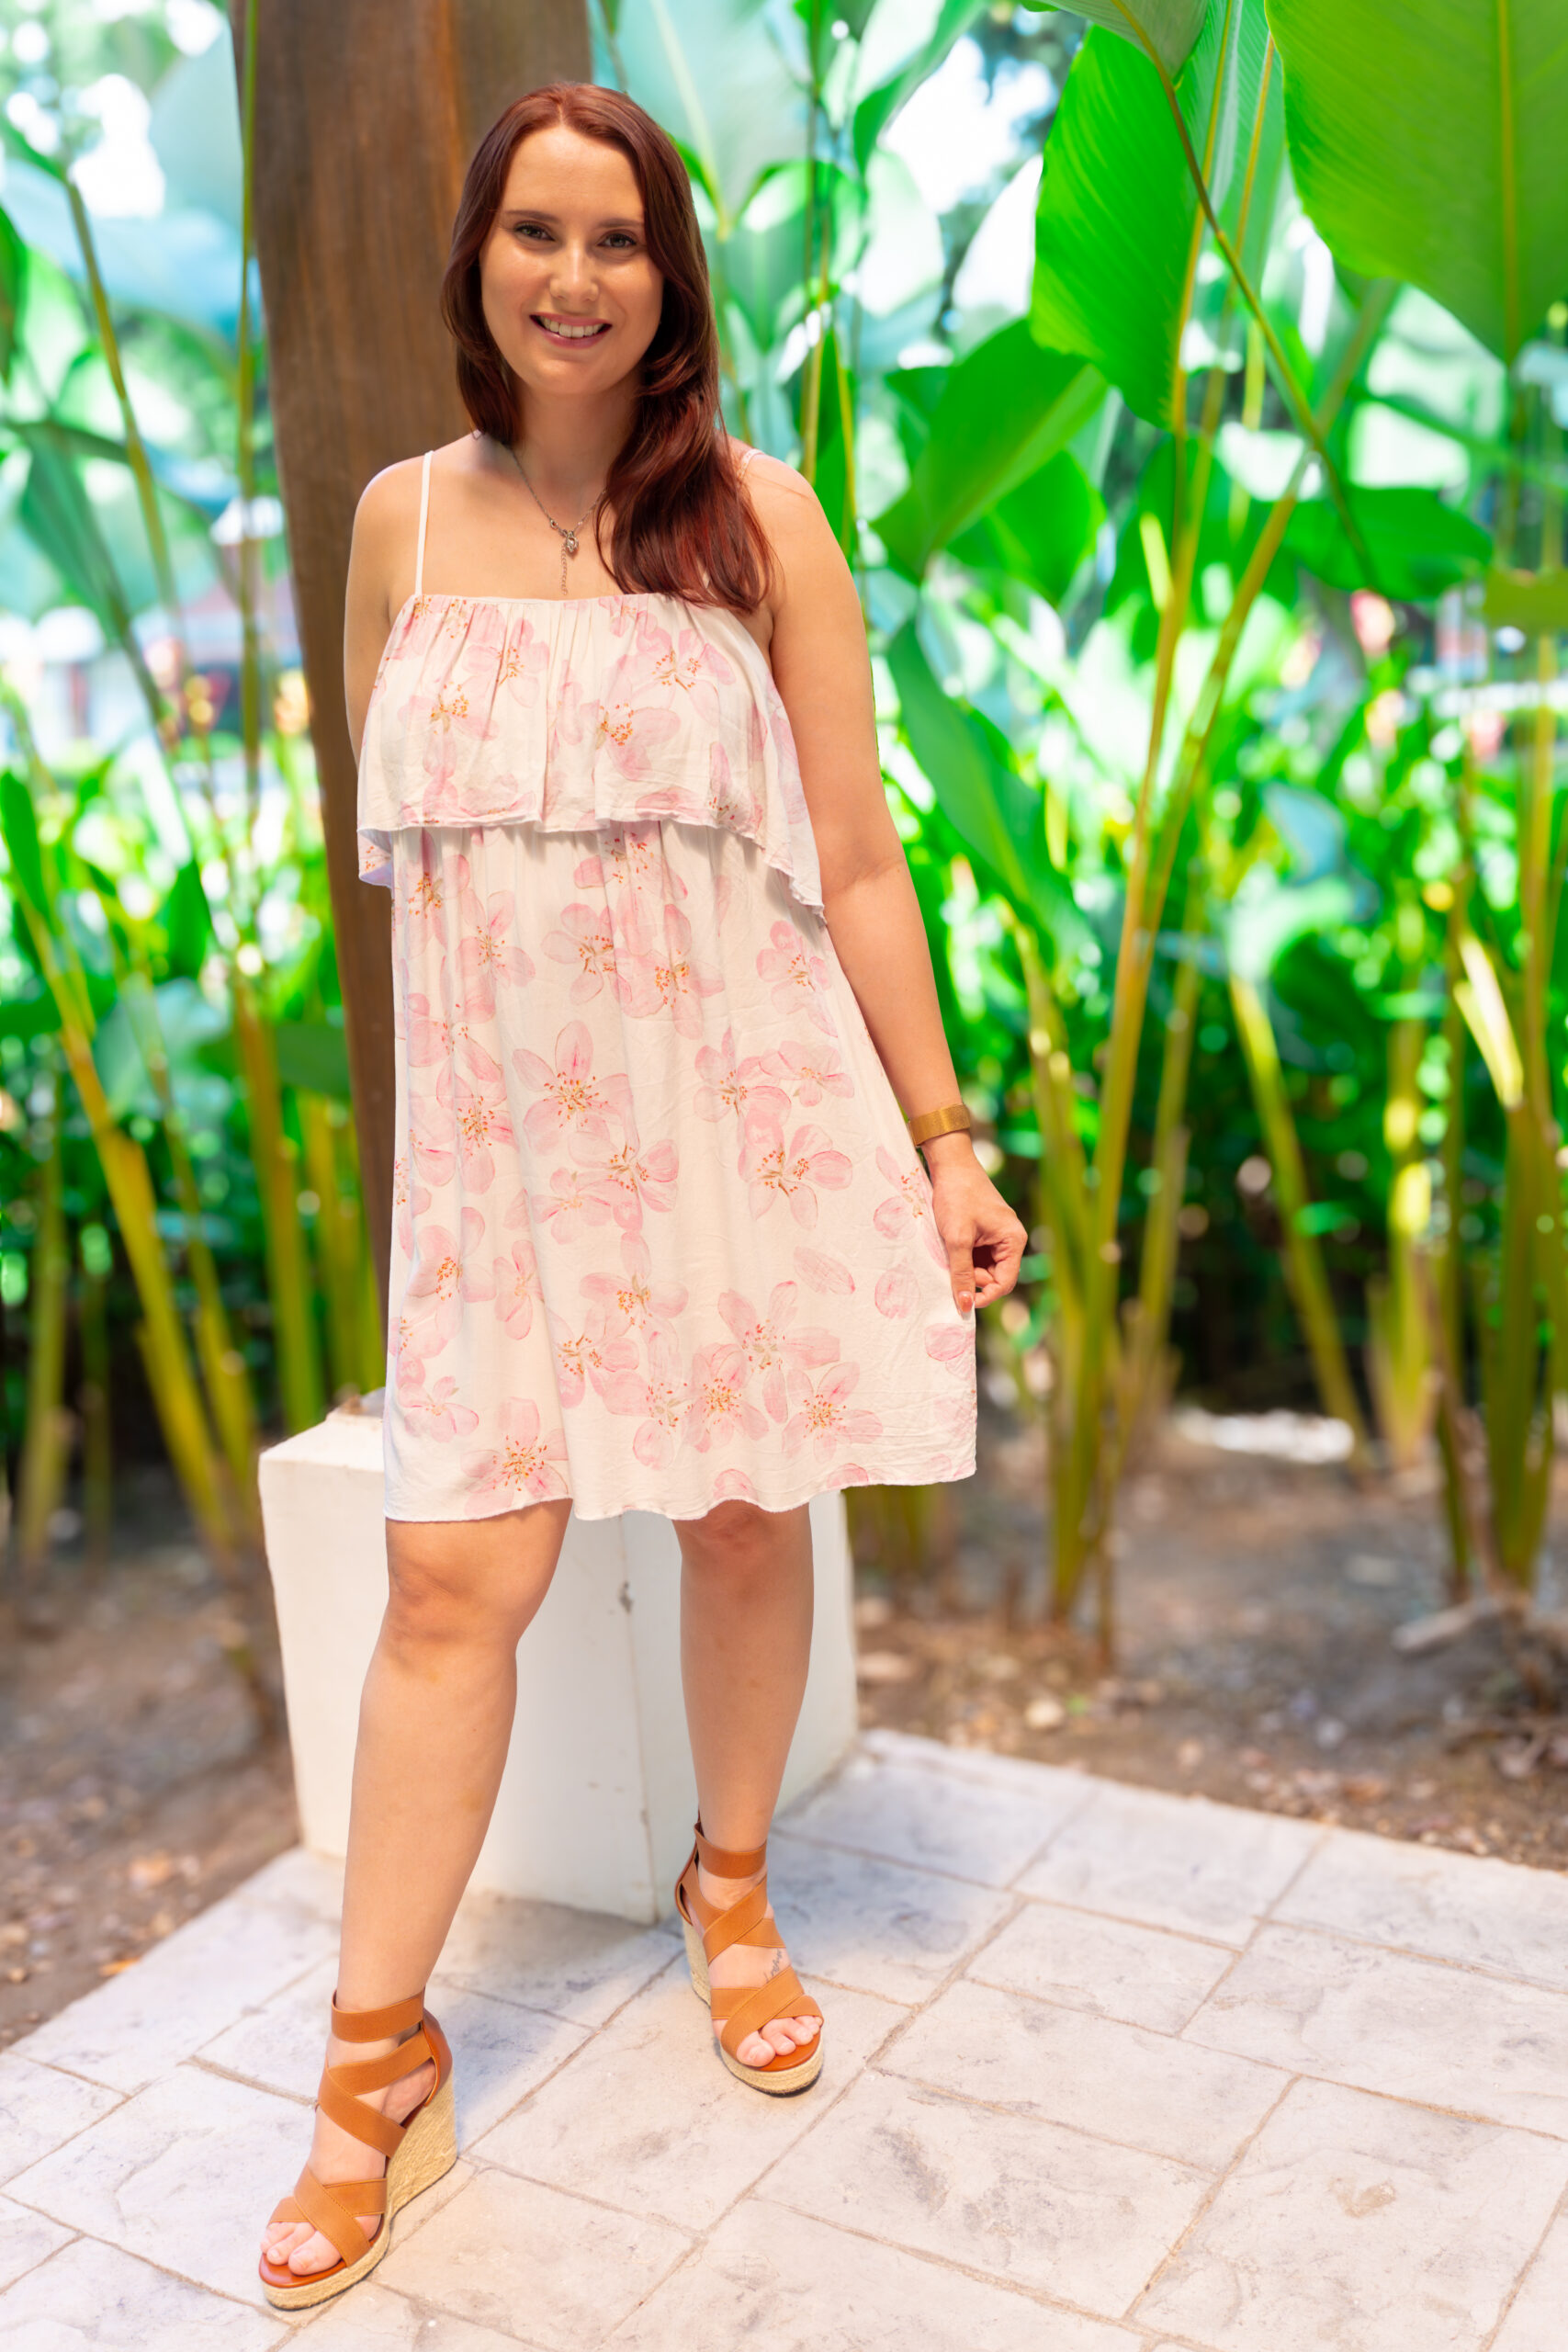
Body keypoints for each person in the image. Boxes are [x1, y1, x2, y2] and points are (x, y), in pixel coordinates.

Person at [258, 82, 1025, 2310]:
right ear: (479, 260)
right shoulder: (399, 521)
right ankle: (374, 2047)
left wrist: (940, 1136)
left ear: (669, 272)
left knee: (732, 1511)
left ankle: (730, 1876)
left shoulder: (757, 518)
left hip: (733, 1119)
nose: (574, 278)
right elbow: (405, 876)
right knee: (443, 1590)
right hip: (507, 1153)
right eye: (534, 234)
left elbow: (859, 862)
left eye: (617, 239)